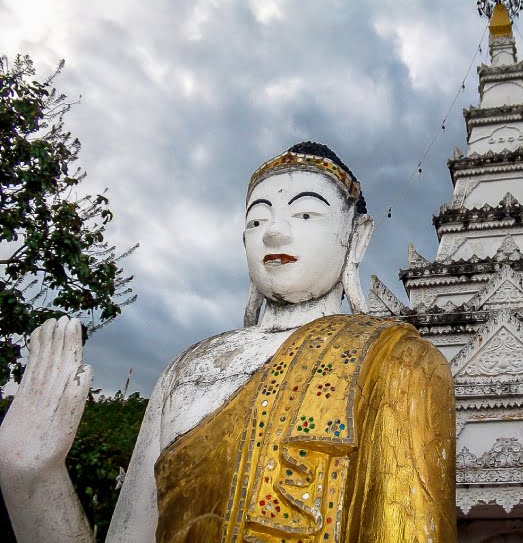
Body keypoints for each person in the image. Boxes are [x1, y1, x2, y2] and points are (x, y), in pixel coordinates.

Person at [0, 141, 457, 543]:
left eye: (305, 213)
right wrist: (32, 476)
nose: (275, 232)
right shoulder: (189, 369)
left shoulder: (396, 361)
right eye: (258, 219)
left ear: (357, 237)